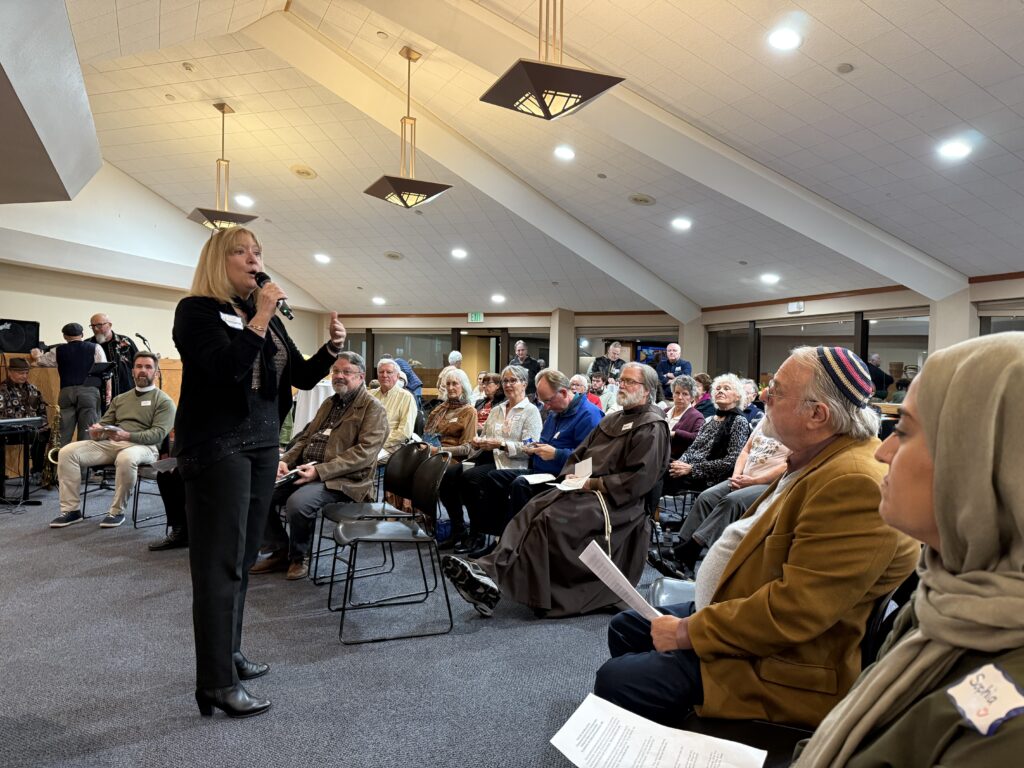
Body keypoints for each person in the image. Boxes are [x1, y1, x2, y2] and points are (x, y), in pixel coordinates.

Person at [593, 346, 920, 728]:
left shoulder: (855, 482)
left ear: (817, 414)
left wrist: (686, 632)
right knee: (626, 626)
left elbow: (795, 611)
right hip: (744, 610)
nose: (763, 396)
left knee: (617, 680)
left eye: (777, 391)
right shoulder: (821, 454)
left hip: (782, 662)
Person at [794, 332, 1024, 767]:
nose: (882, 452)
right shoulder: (946, 594)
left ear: (979, 461)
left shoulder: (1012, 728)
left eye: (902, 430)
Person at [172, 226, 345, 719]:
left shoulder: (258, 316)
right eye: (242, 252)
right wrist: (263, 315)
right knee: (218, 565)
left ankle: (229, 654)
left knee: (244, 557)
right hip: (218, 449)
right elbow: (225, 369)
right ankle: (215, 683)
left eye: (259, 252)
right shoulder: (197, 311)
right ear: (218, 261)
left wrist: (332, 349)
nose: (254, 260)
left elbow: (301, 376)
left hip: (263, 447)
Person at [443, 362, 669, 618]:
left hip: (619, 502)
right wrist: (575, 477)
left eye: (631, 382)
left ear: (648, 390)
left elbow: (640, 479)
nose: (623, 385)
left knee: (550, 520)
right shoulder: (614, 419)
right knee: (532, 509)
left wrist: (591, 483)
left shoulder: (651, 426)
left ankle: (503, 582)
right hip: (586, 488)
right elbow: (586, 455)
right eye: (622, 380)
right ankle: (488, 572)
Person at [254, 352, 388, 580]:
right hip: (309, 469)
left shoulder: (372, 409)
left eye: (347, 372)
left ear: (361, 377)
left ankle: (299, 557)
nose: (339, 376)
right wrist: (285, 461)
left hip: (345, 481)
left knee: (298, 503)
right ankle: (279, 550)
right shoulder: (329, 403)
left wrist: (320, 471)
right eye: (336, 371)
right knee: (257, 493)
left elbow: (363, 454)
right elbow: (305, 437)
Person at [473, 368, 604, 555]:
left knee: (520, 484)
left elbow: (591, 462)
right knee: (493, 478)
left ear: (565, 393)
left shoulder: (589, 415)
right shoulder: (556, 412)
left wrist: (557, 454)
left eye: (548, 401)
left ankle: (515, 547)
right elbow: (544, 441)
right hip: (541, 471)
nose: (546, 407)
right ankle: (499, 539)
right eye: (543, 402)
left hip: (564, 478)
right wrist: (534, 447)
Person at [49, 352, 175, 529]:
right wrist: (97, 431)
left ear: (156, 373)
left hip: (145, 447)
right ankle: (71, 511)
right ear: (132, 371)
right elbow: (105, 424)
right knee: (67, 452)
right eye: (139, 367)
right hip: (113, 444)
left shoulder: (164, 401)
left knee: (126, 457)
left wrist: (127, 435)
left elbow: (157, 435)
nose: (143, 371)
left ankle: (116, 512)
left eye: (148, 367)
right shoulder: (121, 399)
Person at [656, 420, 790, 577]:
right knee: (706, 497)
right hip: (742, 477)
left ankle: (687, 553)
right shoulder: (765, 420)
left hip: (769, 484)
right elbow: (745, 451)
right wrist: (736, 476)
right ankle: (681, 550)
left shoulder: (796, 425)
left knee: (732, 501)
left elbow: (789, 464)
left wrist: (754, 481)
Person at [457, 365, 542, 554]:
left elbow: (530, 448)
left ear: (524, 384)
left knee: (471, 479)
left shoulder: (530, 411)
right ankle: (465, 530)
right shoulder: (497, 409)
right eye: (505, 381)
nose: (508, 384)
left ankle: (486, 535)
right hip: (489, 457)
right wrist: (479, 441)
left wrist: (501, 444)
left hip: (512, 462)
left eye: (513, 380)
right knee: (454, 475)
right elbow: (486, 436)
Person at [663, 374, 750, 496]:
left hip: (709, 477)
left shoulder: (739, 421)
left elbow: (730, 461)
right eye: (718, 388)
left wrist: (692, 469)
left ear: (737, 396)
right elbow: (692, 449)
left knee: (657, 472)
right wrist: (680, 465)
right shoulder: (709, 419)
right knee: (656, 468)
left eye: (726, 388)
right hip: (688, 470)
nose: (720, 391)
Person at [424, 367, 477, 544]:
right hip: (435, 453)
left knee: (444, 475)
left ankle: (458, 528)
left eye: (455, 383)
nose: (451, 387)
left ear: (463, 386)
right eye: (448, 384)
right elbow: (428, 433)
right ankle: (428, 524)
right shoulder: (440, 409)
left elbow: (468, 448)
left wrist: (438, 451)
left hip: (456, 458)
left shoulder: (469, 411)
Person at [31, 322, 107, 445]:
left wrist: (37, 356)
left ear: (65, 337)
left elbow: (42, 362)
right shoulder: (95, 347)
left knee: (63, 432)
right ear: (82, 334)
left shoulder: (58, 350)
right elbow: (103, 369)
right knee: (88, 432)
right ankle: (83, 464)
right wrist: (108, 391)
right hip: (89, 392)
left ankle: (61, 461)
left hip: (66, 392)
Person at [0, 357, 49, 480]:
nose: (24, 376)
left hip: (30, 430)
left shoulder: (33, 389)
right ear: (10, 372)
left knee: (45, 433)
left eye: (26, 373)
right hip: (9, 431)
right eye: (21, 373)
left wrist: (42, 424)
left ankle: (37, 471)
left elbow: (42, 411)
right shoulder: (2, 390)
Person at [369, 358, 417, 464]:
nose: (384, 375)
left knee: (360, 461)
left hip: (391, 447)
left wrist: (377, 443)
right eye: (381, 372)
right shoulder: (370, 395)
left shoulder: (406, 397)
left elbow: (404, 433)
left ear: (397, 376)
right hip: (367, 443)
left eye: (389, 372)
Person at [89, 313, 139, 399]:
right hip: (97, 395)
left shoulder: (125, 341)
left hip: (125, 392)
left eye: (99, 325)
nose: (96, 329)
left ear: (110, 325)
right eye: (93, 326)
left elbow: (138, 362)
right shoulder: (89, 345)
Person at [663, 375, 703, 457]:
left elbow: (698, 438)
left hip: (676, 461)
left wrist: (674, 434)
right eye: (677, 393)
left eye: (685, 394)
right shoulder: (665, 411)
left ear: (692, 398)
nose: (680, 397)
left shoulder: (697, 416)